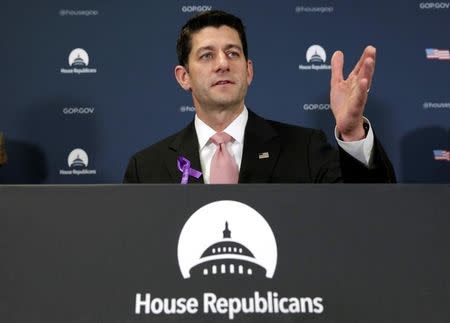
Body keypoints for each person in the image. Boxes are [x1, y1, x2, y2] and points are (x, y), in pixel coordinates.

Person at [124, 10, 396, 184]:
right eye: (207, 55)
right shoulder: (147, 168)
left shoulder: (306, 150)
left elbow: (368, 213)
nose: (222, 64)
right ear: (184, 77)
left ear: (249, 70)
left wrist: (352, 134)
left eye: (233, 53)